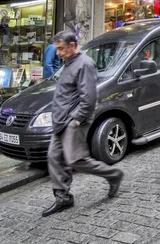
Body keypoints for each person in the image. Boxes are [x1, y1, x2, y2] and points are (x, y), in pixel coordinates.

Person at [42, 30, 124, 217]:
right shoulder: (69, 63)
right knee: (54, 157)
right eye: (57, 49)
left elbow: (90, 97)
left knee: (76, 160)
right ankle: (63, 197)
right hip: (61, 120)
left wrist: (77, 120)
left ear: (72, 45)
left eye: (61, 49)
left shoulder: (85, 64)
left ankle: (113, 175)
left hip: (73, 121)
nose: (58, 53)